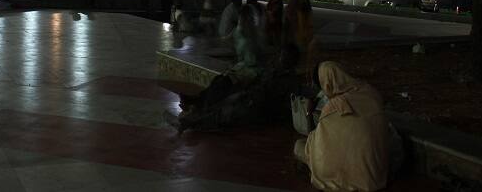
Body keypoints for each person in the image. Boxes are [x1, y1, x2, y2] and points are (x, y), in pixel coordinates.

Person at [167, 44, 308, 133]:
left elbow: (283, 104)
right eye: (281, 55)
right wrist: (243, 90)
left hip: (260, 108)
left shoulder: (290, 81)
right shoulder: (272, 71)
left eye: (284, 57)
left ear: (291, 61)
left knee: (226, 113)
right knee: (225, 98)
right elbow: (257, 82)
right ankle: (194, 111)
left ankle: (189, 123)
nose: (280, 58)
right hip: (251, 97)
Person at [294, 62, 390, 192]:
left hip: (340, 172)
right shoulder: (371, 93)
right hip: (375, 175)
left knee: (299, 146)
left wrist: (309, 113)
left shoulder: (332, 108)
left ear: (326, 84)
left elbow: (314, 143)